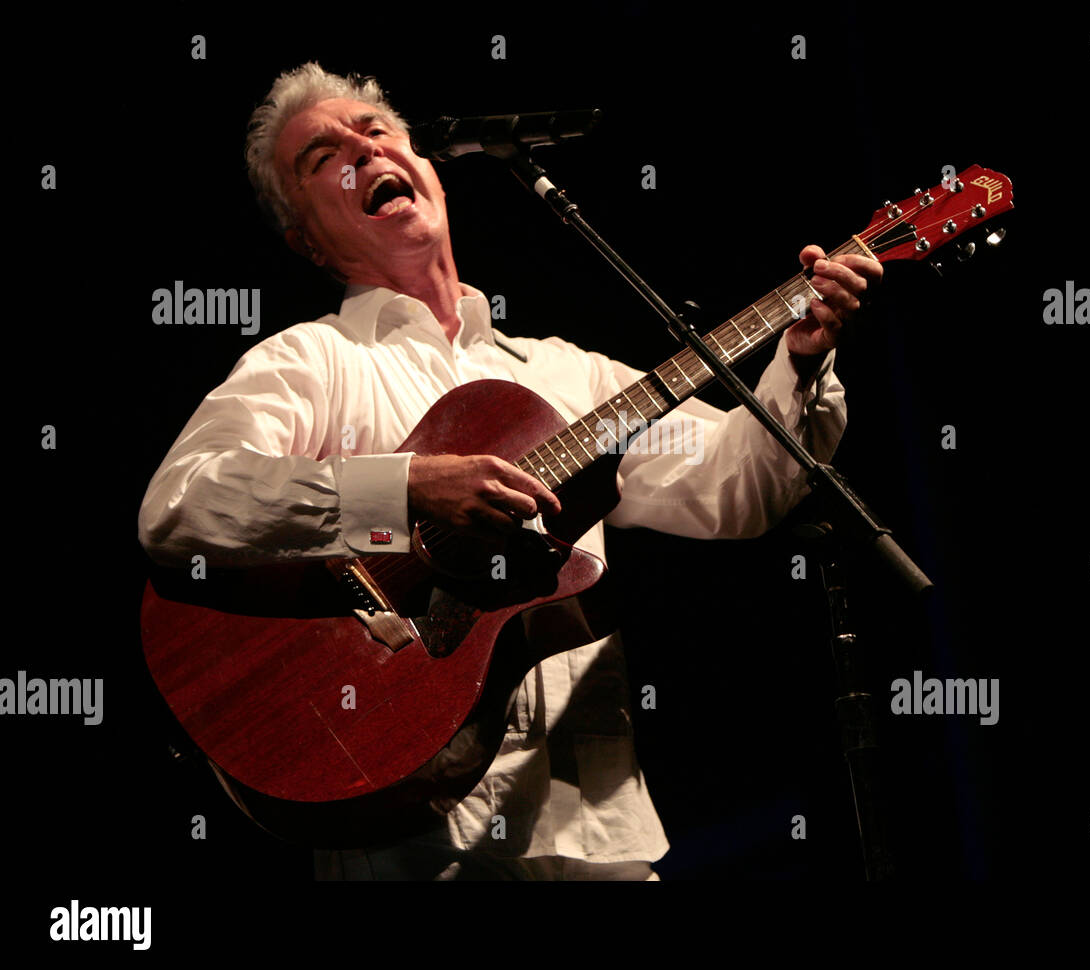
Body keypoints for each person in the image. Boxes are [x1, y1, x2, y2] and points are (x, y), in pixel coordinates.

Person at [137, 62, 882, 880]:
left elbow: (738, 491)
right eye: (322, 157)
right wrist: (409, 487)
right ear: (308, 239)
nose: (362, 149)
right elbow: (180, 506)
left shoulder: (569, 376)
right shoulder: (311, 360)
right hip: (411, 842)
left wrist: (801, 364)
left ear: (430, 173)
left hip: (591, 825)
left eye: (378, 132)